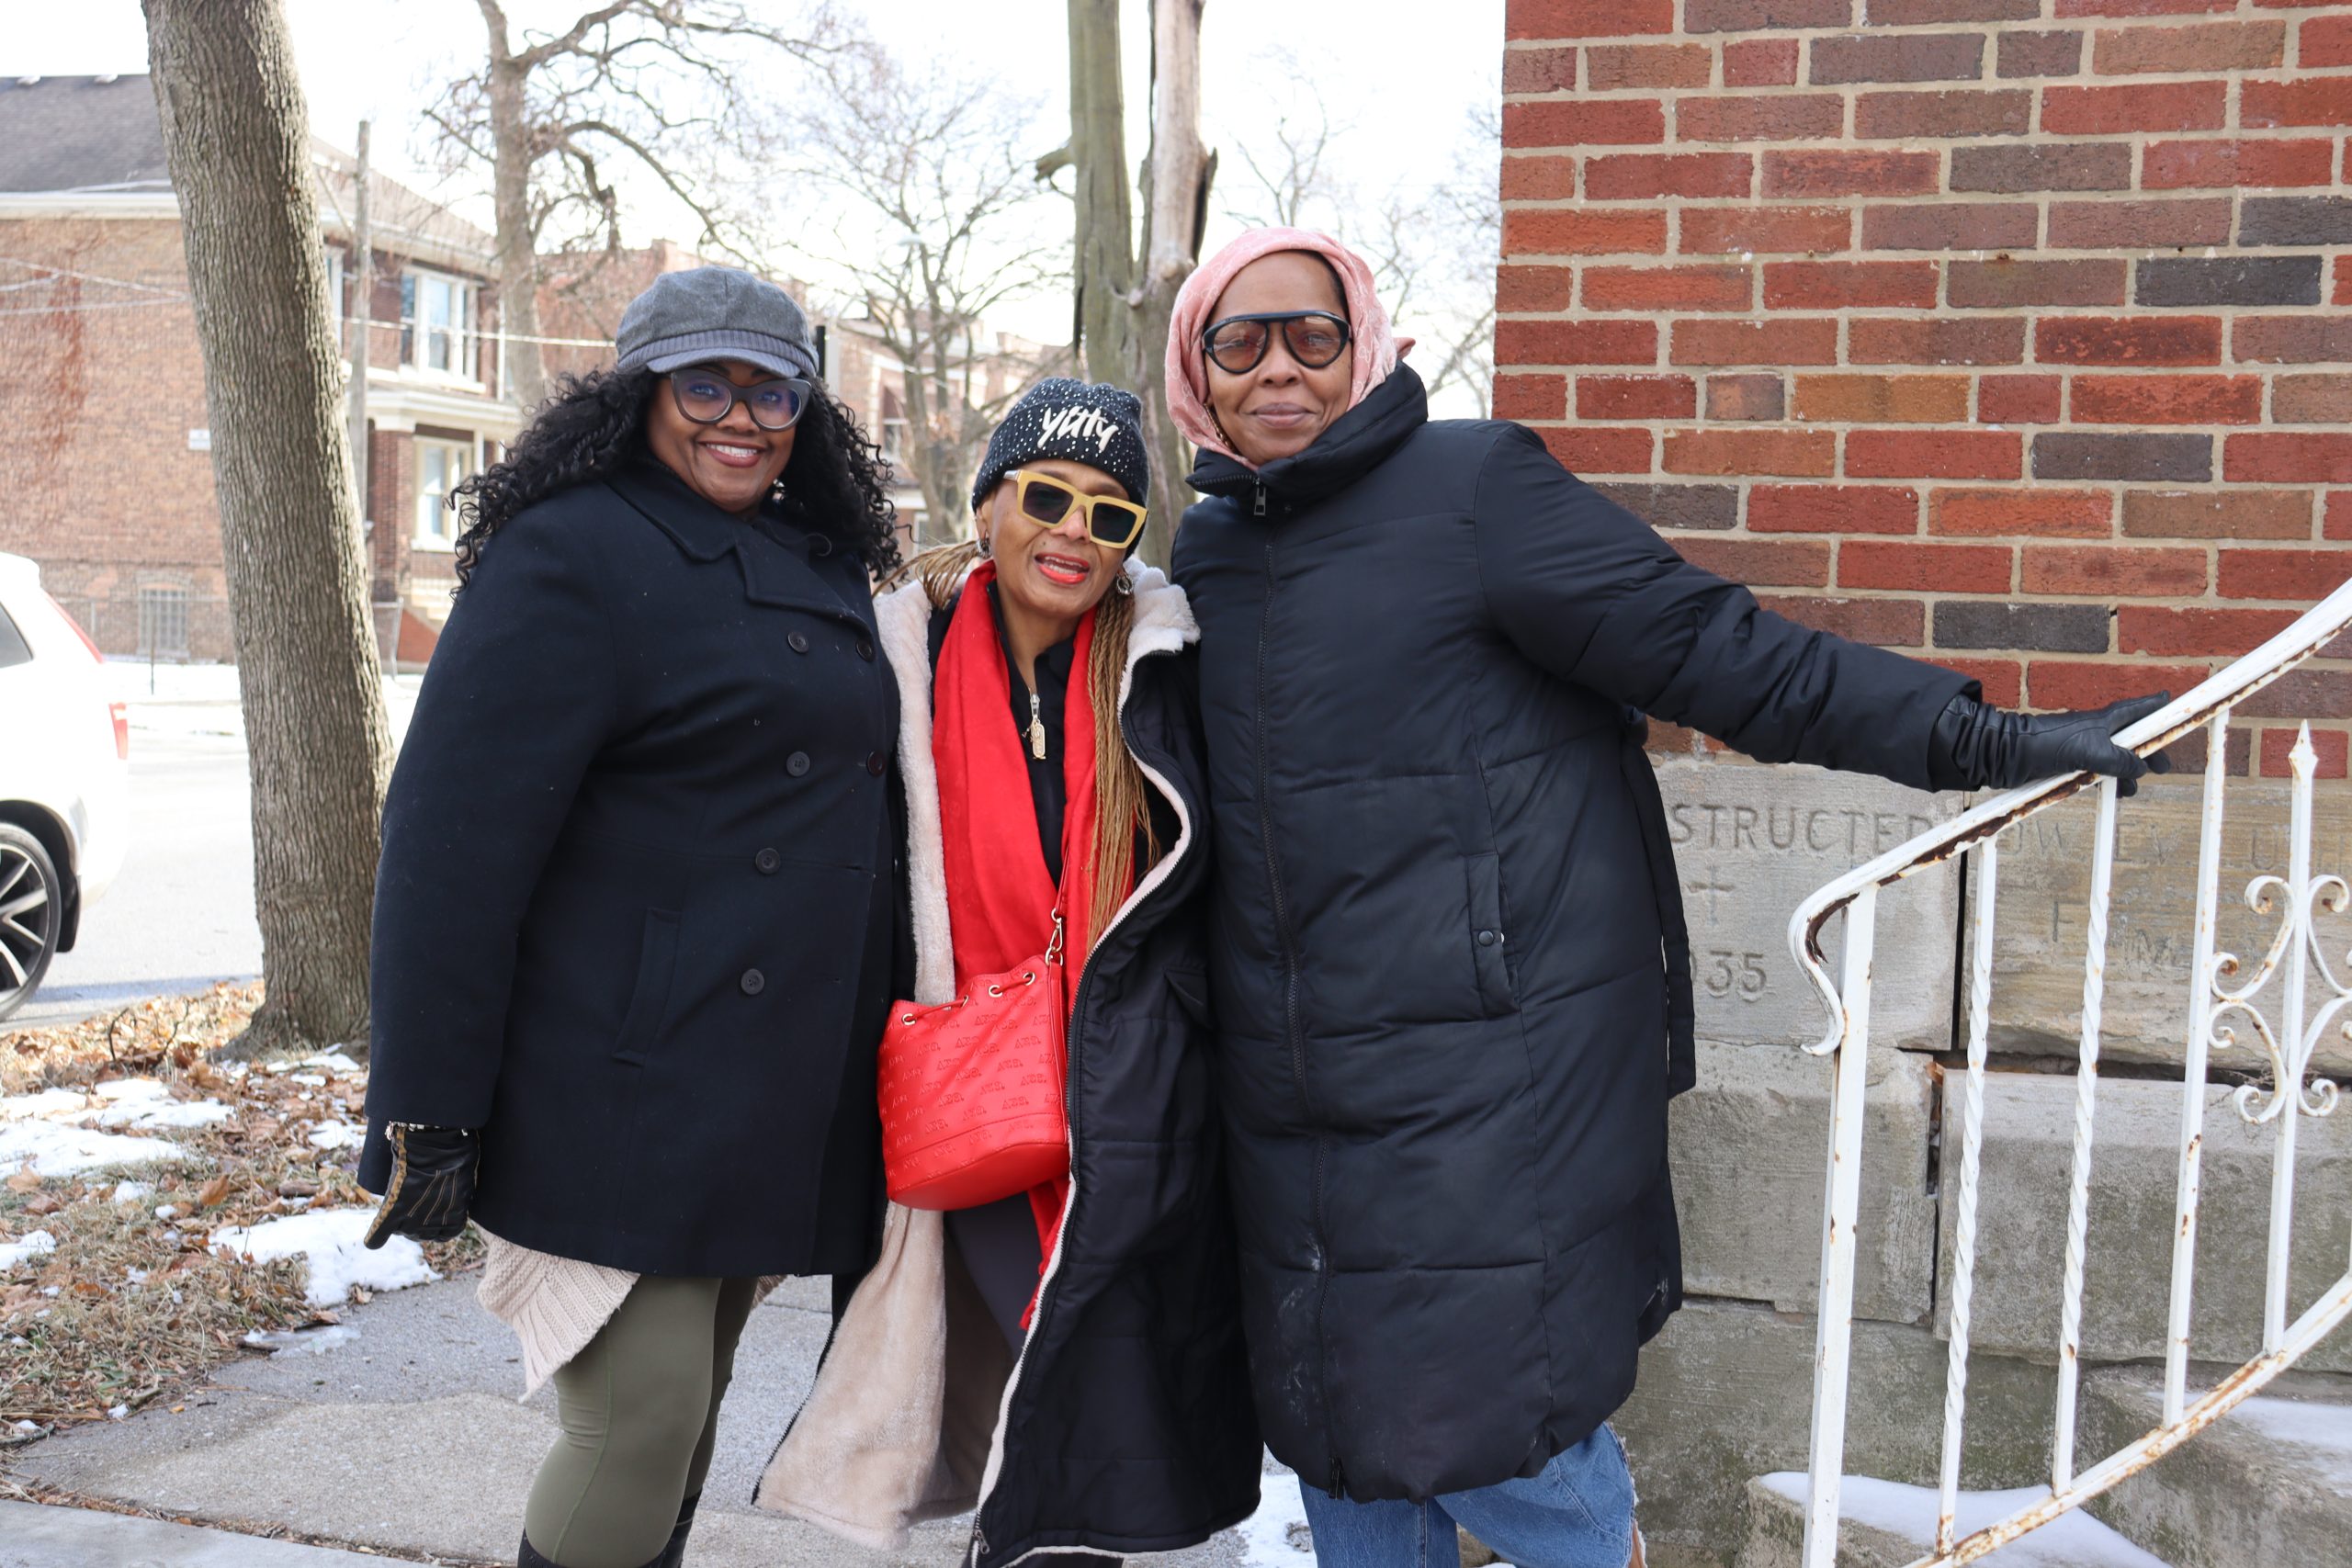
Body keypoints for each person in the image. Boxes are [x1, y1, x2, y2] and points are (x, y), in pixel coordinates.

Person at [1162, 227, 2169, 1568]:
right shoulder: (1208, 550)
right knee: (1336, 1428)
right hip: (1284, 1088)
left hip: (1485, 1070)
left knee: (1508, 1428)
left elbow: (1723, 654)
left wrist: (1984, 741)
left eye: (1311, 335)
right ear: (1196, 369)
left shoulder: (1471, 488)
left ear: (1365, 345)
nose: (1277, 368)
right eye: (1240, 343)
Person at [358, 266, 905, 1568]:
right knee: (637, 1421)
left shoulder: (819, 561)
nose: (739, 415)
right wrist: (426, 1104)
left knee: (694, 1405)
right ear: (640, 394)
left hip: (767, 1083)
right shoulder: (574, 549)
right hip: (619, 1072)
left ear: (805, 410)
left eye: (769, 389)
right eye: (702, 382)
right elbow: (451, 848)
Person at [757, 379, 1261, 1568]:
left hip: (1119, 1104)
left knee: (1077, 1414)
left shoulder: (1162, 669)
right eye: (1045, 496)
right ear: (989, 508)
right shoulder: (892, 654)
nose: (1072, 531)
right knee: (1043, 1396)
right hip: (955, 1097)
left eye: (1109, 514)